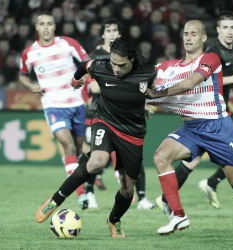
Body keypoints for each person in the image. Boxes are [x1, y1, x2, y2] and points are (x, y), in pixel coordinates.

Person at [146, 19, 233, 239]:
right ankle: (178, 215)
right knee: (160, 156)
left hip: (218, 127)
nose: (189, 37)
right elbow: (147, 78)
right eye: (185, 33)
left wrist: (153, 96)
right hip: (191, 128)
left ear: (203, 38)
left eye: (194, 34)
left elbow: (188, 84)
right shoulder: (169, 66)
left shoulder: (211, 58)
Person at [35, 37, 157, 238]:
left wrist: (152, 99)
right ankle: (56, 199)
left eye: (121, 65)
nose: (116, 69)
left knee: (127, 190)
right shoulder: (100, 66)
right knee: (97, 162)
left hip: (132, 133)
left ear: (133, 59)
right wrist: (75, 80)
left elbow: (157, 89)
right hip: (105, 121)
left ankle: (114, 220)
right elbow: (83, 66)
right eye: (113, 63)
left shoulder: (149, 72)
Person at [155, 11, 233, 212]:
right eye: (225, 27)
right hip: (209, 114)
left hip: (219, 115)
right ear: (216, 30)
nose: (229, 32)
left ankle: (173, 198)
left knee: (197, 159)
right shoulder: (213, 51)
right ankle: (198, 189)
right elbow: (202, 79)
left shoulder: (228, 52)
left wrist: (232, 85)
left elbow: (215, 80)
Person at [82, 17, 155, 210]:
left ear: (119, 34)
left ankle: (142, 198)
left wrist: (142, 104)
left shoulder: (128, 56)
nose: (112, 33)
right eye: (109, 30)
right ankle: (89, 193)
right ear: (103, 34)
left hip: (126, 115)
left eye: (115, 30)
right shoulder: (96, 55)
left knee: (133, 158)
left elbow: (138, 85)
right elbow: (92, 86)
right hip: (102, 112)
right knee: (98, 158)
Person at [19, 12, 90, 210]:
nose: (46, 27)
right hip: (52, 105)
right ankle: (81, 195)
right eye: (42, 24)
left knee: (77, 151)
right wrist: (31, 85)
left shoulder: (68, 43)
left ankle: (74, 171)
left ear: (54, 26)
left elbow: (87, 62)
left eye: (49, 23)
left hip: (76, 103)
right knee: (67, 145)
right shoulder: (29, 53)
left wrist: (85, 76)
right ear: (37, 27)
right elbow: (22, 75)